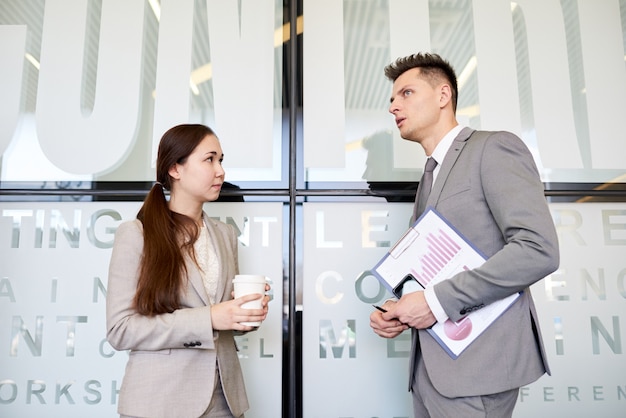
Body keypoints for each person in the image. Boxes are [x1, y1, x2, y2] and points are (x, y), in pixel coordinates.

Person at [369, 53, 559, 417]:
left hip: (479, 369)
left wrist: (433, 303)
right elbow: (436, 266)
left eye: (406, 93)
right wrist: (401, 308)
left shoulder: (493, 148)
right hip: (430, 370)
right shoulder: (430, 174)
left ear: (443, 96)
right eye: (392, 98)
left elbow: (538, 250)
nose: (393, 106)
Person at [106, 123, 270, 418]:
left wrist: (245, 314)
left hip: (225, 401)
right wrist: (210, 317)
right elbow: (121, 330)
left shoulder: (225, 235)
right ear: (175, 169)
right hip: (160, 403)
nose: (220, 171)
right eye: (209, 160)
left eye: (221, 160)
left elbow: (223, 321)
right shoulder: (137, 234)